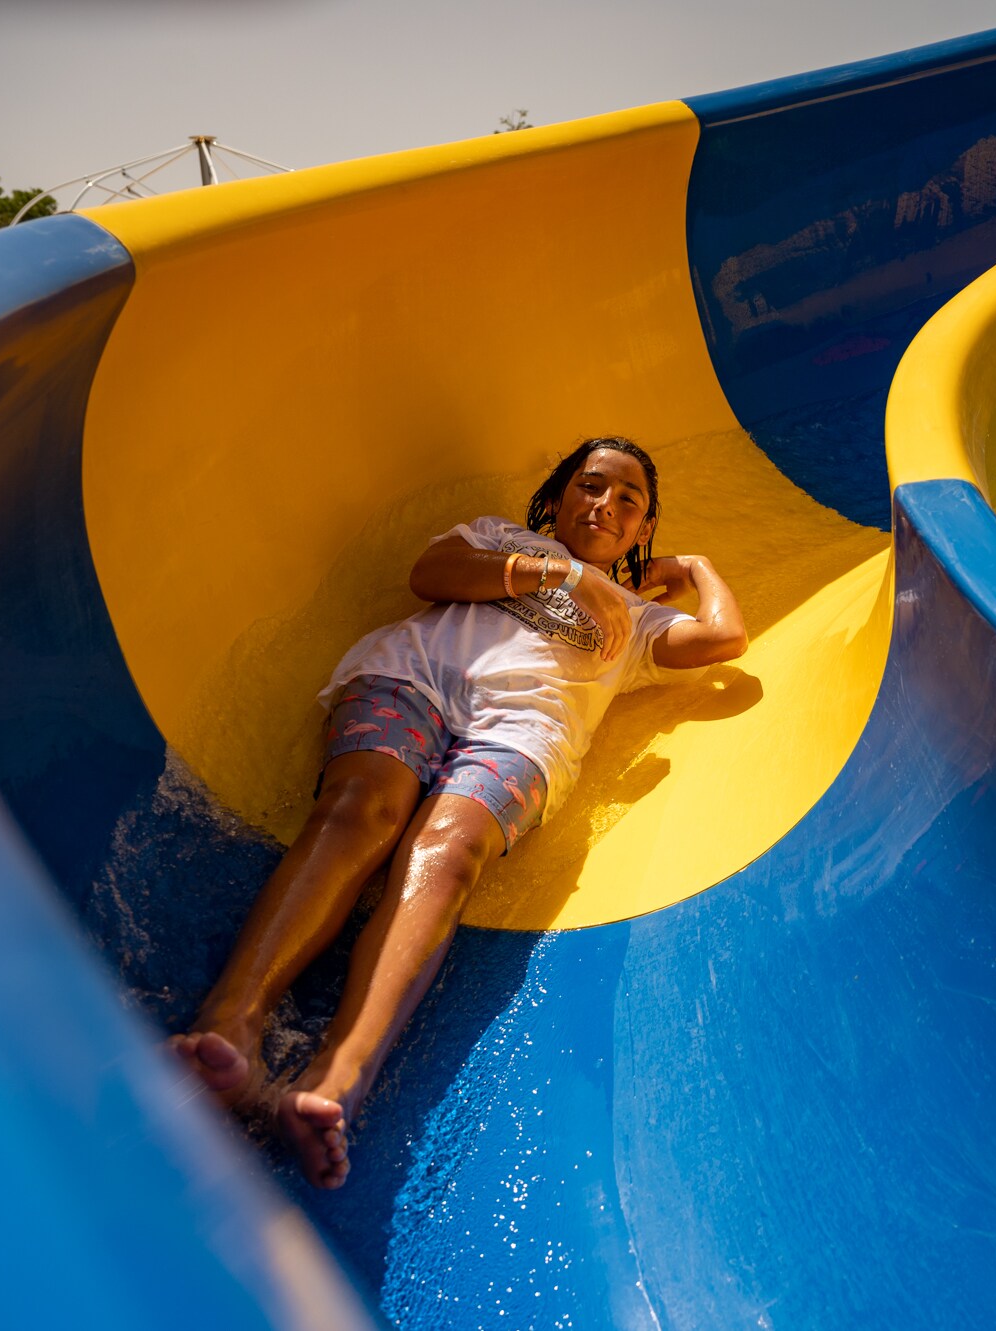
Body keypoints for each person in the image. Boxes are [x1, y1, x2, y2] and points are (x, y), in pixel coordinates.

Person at [167, 437, 747, 1188]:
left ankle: (330, 1081)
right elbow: (428, 573)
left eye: (627, 500)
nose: (604, 503)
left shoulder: (635, 621)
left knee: (444, 857)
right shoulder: (500, 539)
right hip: (410, 682)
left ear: (643, 530)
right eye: (590, 486)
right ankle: (231, 1027)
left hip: (522, 735)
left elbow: (725, 640)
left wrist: (693, 568)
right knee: (362, 811)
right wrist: (564, 571)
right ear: (559, 498)